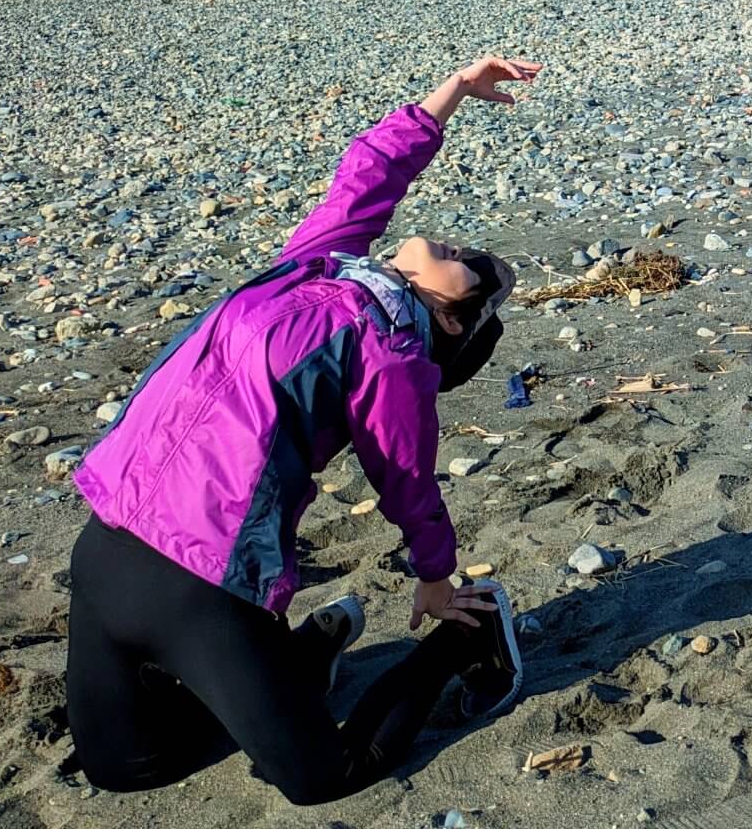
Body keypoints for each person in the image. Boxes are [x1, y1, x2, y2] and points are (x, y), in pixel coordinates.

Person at [65, 56, 542, 805]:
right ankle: (305, 657)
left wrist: (436, 580)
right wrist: (450, 93)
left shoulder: (396, 354)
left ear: (451, 320)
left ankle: (469, 639)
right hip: (107, 536)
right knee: (119, 769)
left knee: (322, 778)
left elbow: (405, 476)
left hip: (205, 579)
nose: (464, 249)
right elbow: (368, 172)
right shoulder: (318, 264)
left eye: (473, 269)